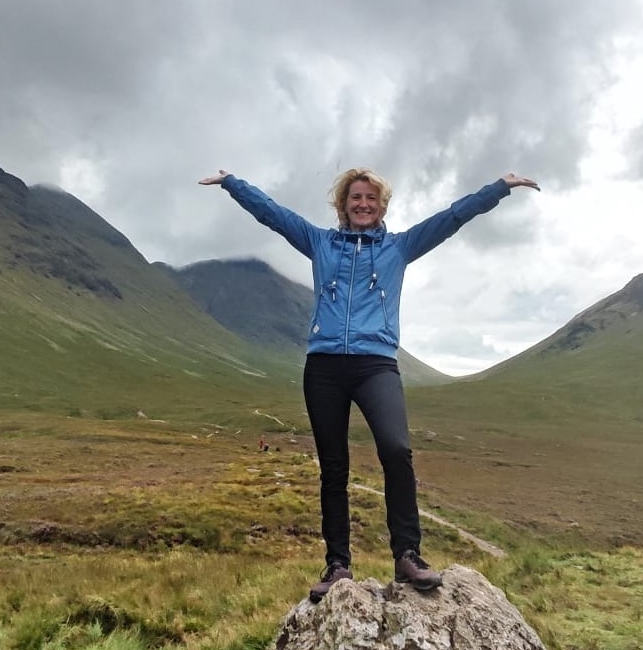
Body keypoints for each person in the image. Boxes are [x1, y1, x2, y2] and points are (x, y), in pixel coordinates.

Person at [199, 166, 539, 602]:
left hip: (376, 364)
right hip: (324, 366)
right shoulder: (319, 242)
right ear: (343, 204)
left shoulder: (400, 247)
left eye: (371, 198)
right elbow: (273, 214)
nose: (363, 204)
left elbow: (452, 217)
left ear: (382, 207)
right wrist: (233, 183)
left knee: (396, 450)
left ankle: (407, 555)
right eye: (356, 197)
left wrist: (499, 188)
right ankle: (337, 565)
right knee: (333, 467)